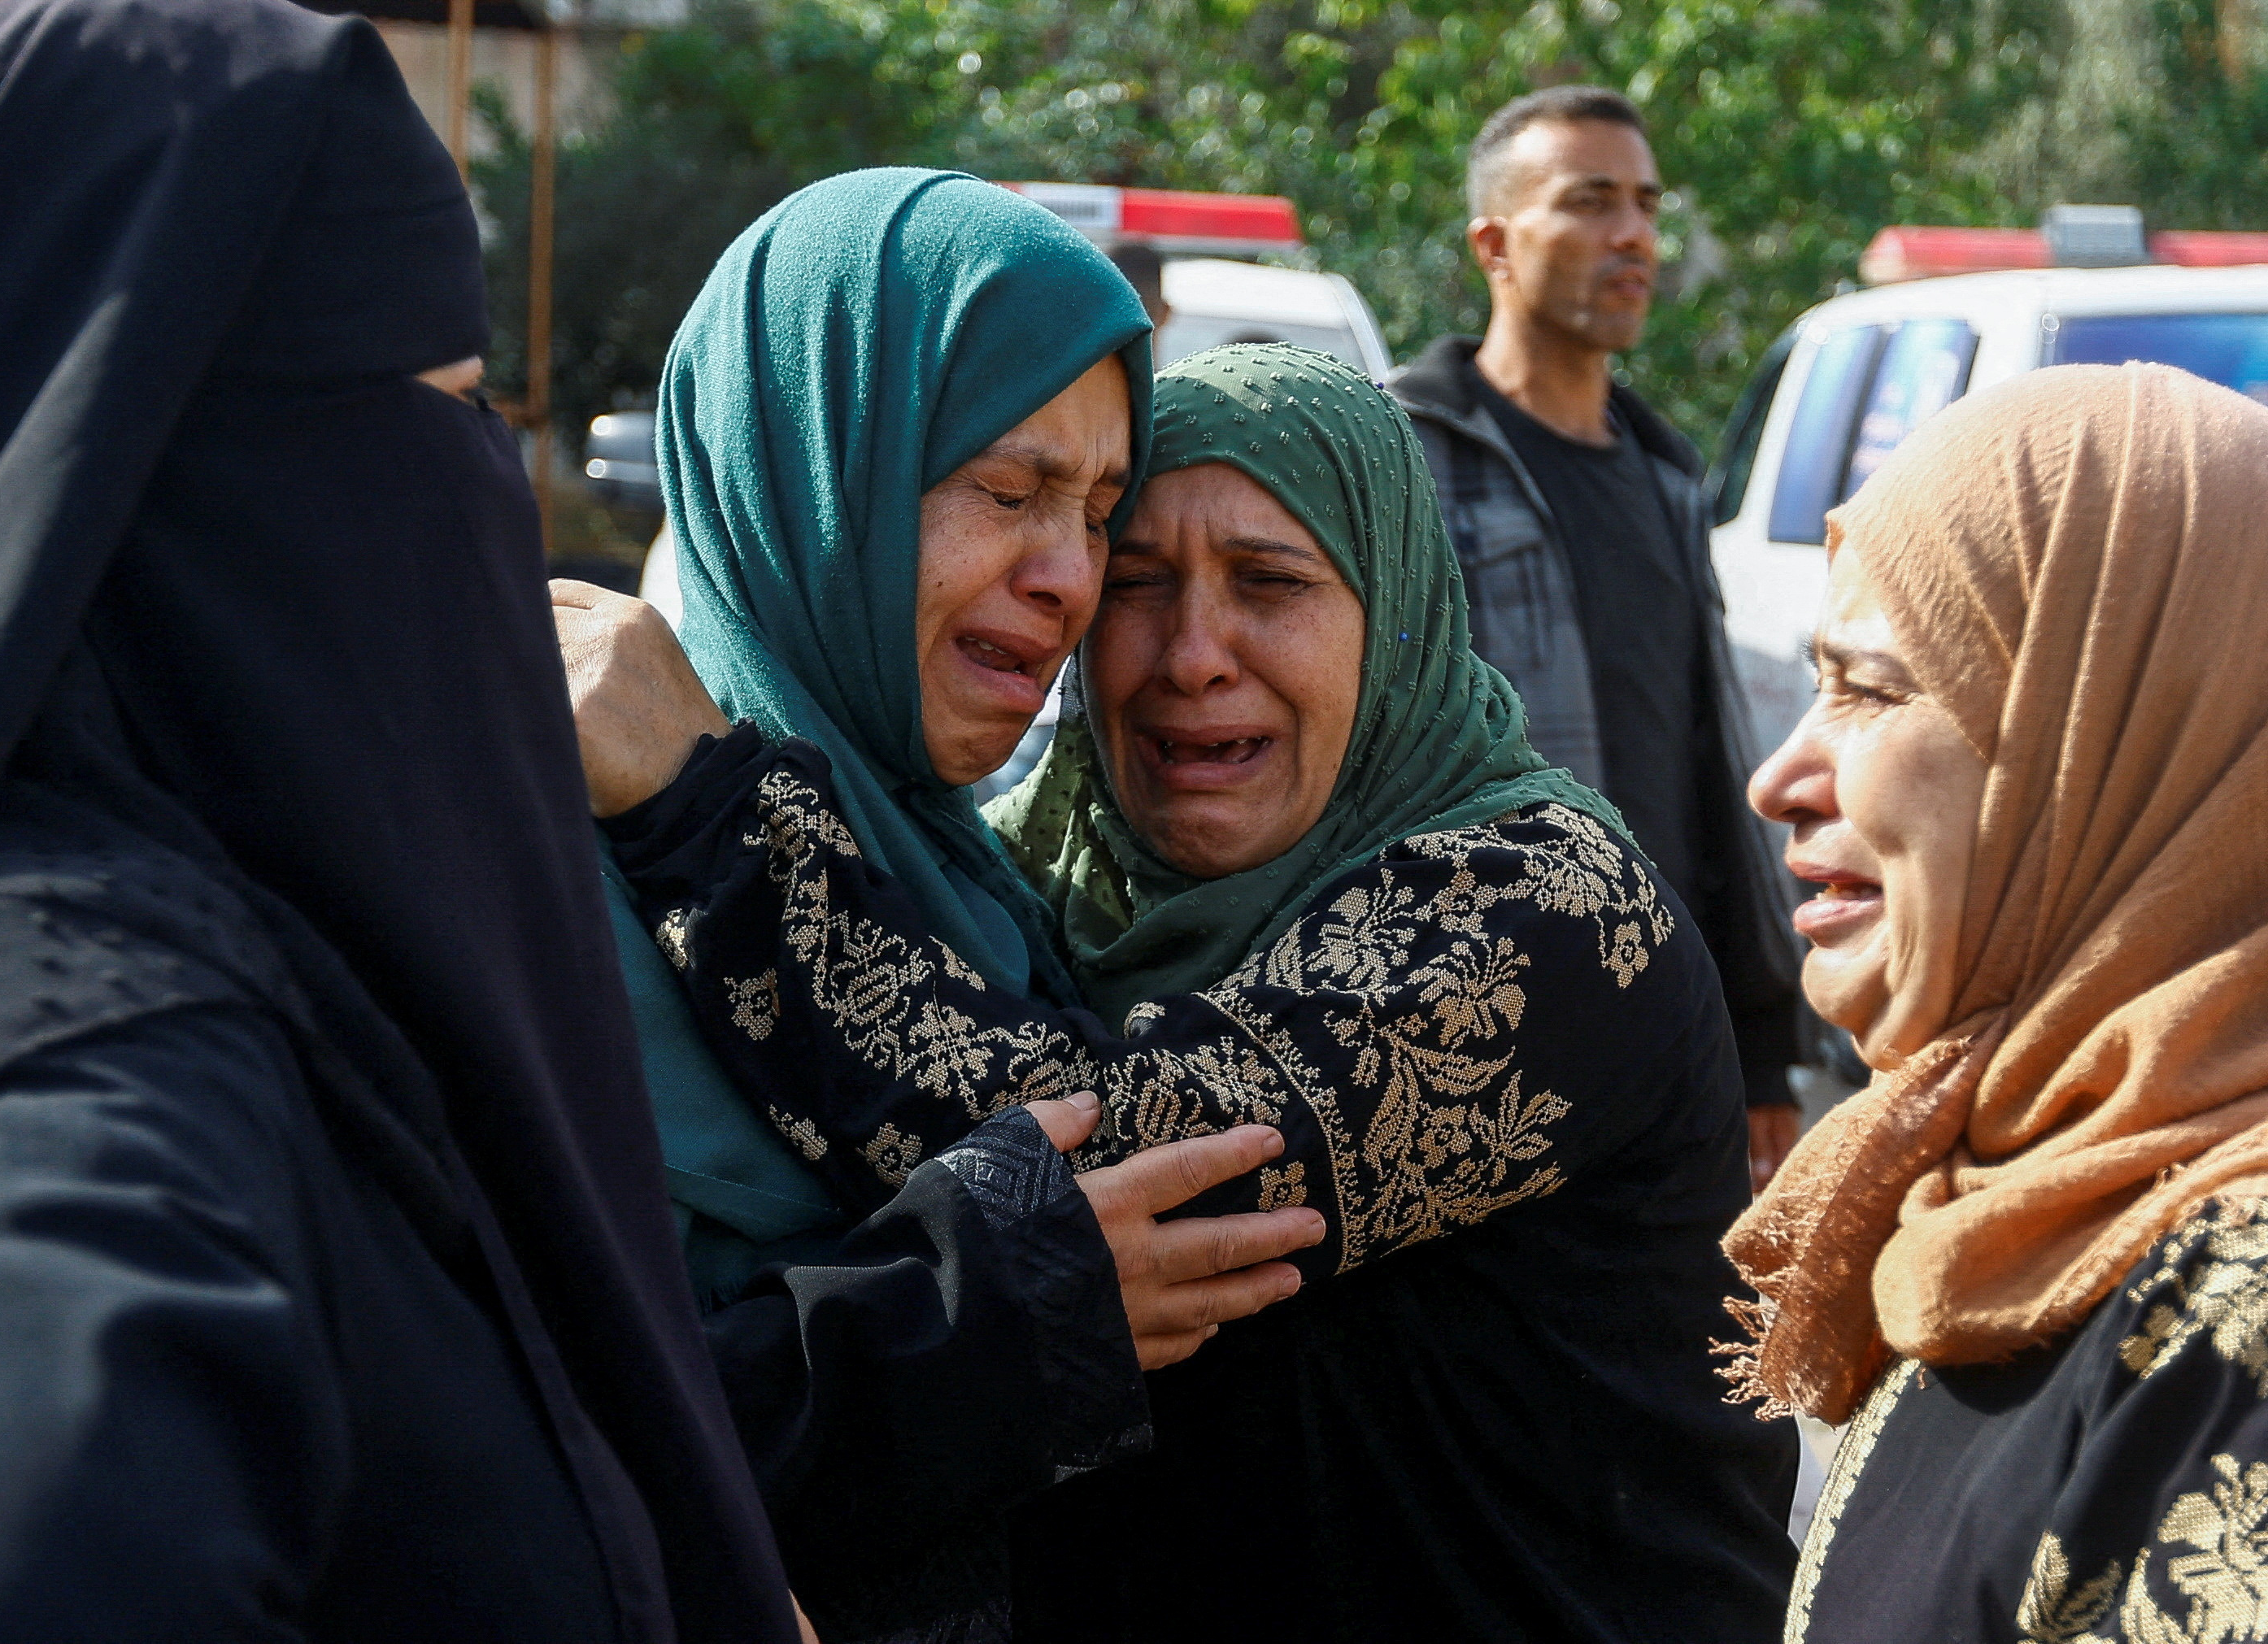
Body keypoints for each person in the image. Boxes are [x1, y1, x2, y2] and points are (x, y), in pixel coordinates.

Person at [0, 0, 801, 1635]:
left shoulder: (158, 939)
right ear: (154, 452)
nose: (478, 496)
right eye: (449, 409)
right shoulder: (101, 1068)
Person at [596, 343, 1798, 1641]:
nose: (1190, 654)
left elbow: (1101, 1172)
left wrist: (708, 815)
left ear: (1393, 617)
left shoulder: (1542, 908)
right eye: (1140, 584)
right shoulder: (1024, 892)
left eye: (1270, 583)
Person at [556, 170, 1326, 1644]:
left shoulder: (966, 878)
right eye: (1005, 489)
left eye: (1100, 512)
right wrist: (967, 1326)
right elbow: (488, 1440)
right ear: (811, 463)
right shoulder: (531, 876)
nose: (1069, 580)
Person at [1726, 363, 2268, 1643]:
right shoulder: (1994, 1189)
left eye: (1867, 687)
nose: (1777, 776)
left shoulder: (2237, 1325)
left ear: (2106, 743)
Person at [1387, 85, 1809, 1185]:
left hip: (1673, 1024)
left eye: (1644, 204)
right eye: (1587, 202)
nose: (1631, 236)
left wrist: (1761, 1041)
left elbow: (1709, 762)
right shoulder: (1407, 460)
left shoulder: (1666, 474)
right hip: (1494, 1019)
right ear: (1494, 241)